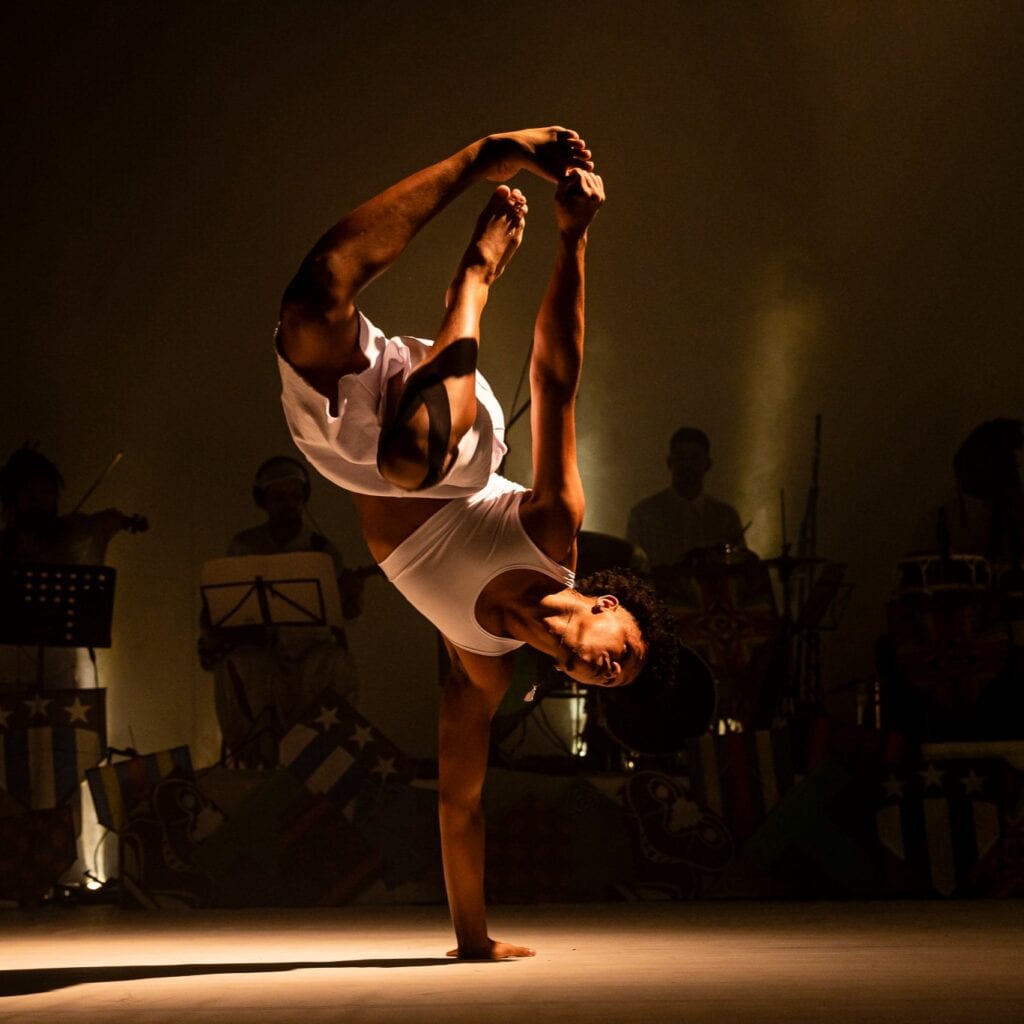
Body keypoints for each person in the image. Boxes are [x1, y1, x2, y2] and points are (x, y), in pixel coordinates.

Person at [276, 128, 690, 958]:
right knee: (411, 461)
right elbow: (556, 378)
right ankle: (475, 249)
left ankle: (478, 169)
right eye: (627, 651)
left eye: (609, 677)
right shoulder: (553, 531)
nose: (610, 669)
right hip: (454, 437)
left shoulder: (481, 667)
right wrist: (573, 239)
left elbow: (459, 803)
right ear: (608, 607)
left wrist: (473, 941)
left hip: (351, 448)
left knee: (311, 300)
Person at [199, 455, 365, 767]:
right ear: (263, 501)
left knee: (334, 664)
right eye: (279, 498)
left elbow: (344, 616)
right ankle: (254, 758)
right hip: (258, 645)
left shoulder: (322, 550)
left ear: (304, 499)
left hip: (309, 648)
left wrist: (351, 594)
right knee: (238, 664)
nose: (288, 505)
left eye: (294, 496)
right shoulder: (244, 546)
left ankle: (316, 757)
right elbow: (222, 605)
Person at [0, 444, 147, 690]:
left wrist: (112, 528)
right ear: (13, 499)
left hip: (58, 675)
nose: (40, 504)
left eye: (47, 494)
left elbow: (97, 531)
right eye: (30, 496)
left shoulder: (67, 534)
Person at [625, 427, 746, 569]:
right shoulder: (643, 516)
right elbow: (633, 570)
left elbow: (741, 570)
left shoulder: (726, 518)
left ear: (707, 464)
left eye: (695, 457)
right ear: (670, 462)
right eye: (681, 456)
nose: (687, 465)